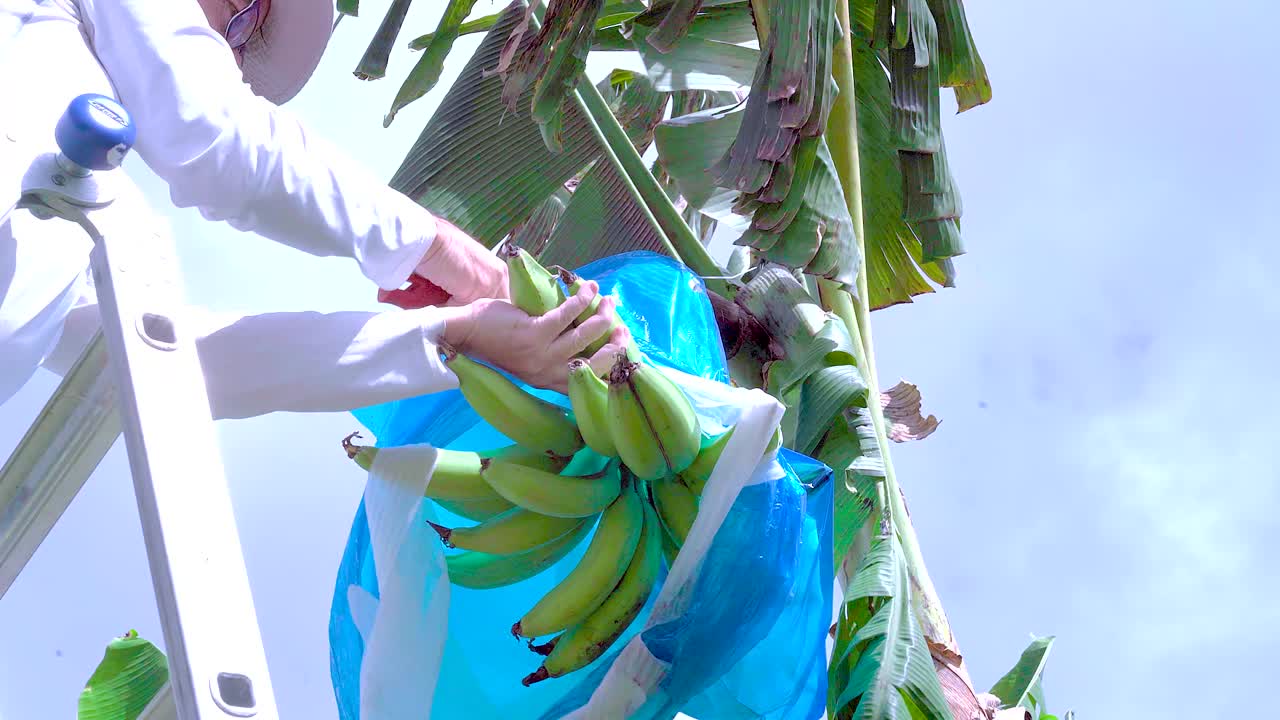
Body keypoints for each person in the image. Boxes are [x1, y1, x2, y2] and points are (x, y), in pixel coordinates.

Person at [0, 0, 629, 418]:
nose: (221, 46)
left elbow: (168, 358)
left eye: (237, 37)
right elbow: (215, 135)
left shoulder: (73, 210)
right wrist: (439, 247)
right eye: (239, 11)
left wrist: (451, 338)